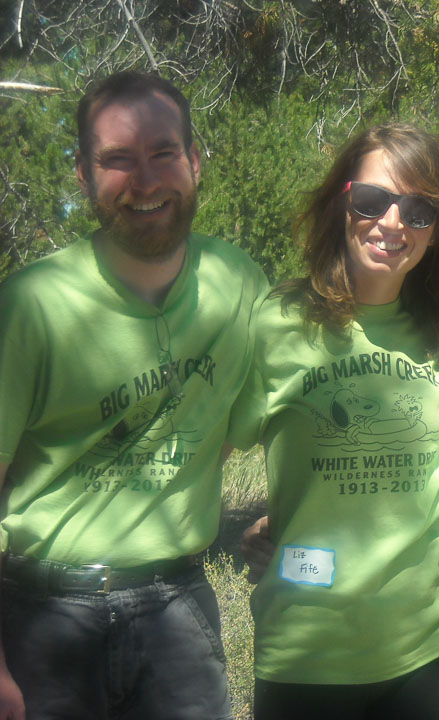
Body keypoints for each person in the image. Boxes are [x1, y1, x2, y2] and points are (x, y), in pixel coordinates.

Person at [0, 71, 269, 719]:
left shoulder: (239, 284)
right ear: (83, 176)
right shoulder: (31, 305)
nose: (145, 181)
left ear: (195, 162)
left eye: (163, 153)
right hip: (44, 617)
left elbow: (235, 433)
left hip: (177, 607)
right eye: (117, 160)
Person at [228, 123, 439, 719]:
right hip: (306, 651)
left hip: (427, 652)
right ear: (339, 205)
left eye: (420, 209)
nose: (393, 223)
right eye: (372, 201)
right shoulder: (275, 321)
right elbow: (205, 456)